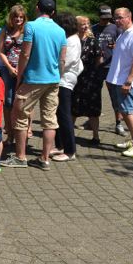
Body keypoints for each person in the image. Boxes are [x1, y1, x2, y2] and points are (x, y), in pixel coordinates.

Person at [1, 0, 66, 170]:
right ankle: (44, 159)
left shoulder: (31, 26)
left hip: (32, 79)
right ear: (53, 12)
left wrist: (20, 76)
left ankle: (20, 157)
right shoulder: (60, 30)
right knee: (50, 120)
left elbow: (25, 54)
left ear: (37, 8)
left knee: (20, 116)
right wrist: (58, 76)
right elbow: (62, 59)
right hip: (53, 80)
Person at [106, 8, 133, 157]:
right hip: (116, 80)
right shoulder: (123, 34)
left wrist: (129, 82)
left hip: (126, 81)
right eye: (115, 18)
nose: (117, 21)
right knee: (123, 110)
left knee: (128, 111)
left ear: (129, 17)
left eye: (120, 17)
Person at [51, 13, 83, 162]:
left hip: (64, 81)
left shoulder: (72, 41)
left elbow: (65, 62)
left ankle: (70, 151)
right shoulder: (69, 39)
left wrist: (53, 75)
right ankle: (60, 145)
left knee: (64, 115)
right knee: (58, 114)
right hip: (62, 80)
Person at [93, 5, 125, 135]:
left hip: (112, 67)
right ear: (99, 16)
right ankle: (92, 120)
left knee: (115, 96)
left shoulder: (116, 28)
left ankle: (119, 123)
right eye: (103, 18)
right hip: (96, 68)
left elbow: (124, 46)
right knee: (94, 96)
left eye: (108, 18)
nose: (106, 20)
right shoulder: (93, 29)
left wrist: (116, 46)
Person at [0, 5, 27, 145]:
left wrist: (20, 69)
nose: (18, 19)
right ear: (11, 17)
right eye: (16, 17)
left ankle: (23, 134)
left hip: (23, 70)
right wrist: (9, 67)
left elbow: (29, 52)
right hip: (7, 69)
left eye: (21, 17)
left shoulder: (27, 31)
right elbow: (1, 51)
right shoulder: (5, 31)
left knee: (23, 102)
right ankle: (10, 134)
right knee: (8, 101)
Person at [72, 16, 103, 145]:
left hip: (91, 79)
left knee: (93, 110)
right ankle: (69, 136)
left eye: (87, 24)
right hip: (74, 78)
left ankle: (96, 136)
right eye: (82, 24)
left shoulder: (93, 41)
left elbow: (99, 59)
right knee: (73, 108)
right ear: (76, 25)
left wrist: (92, 71)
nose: (85, 26)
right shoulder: (71, 40)